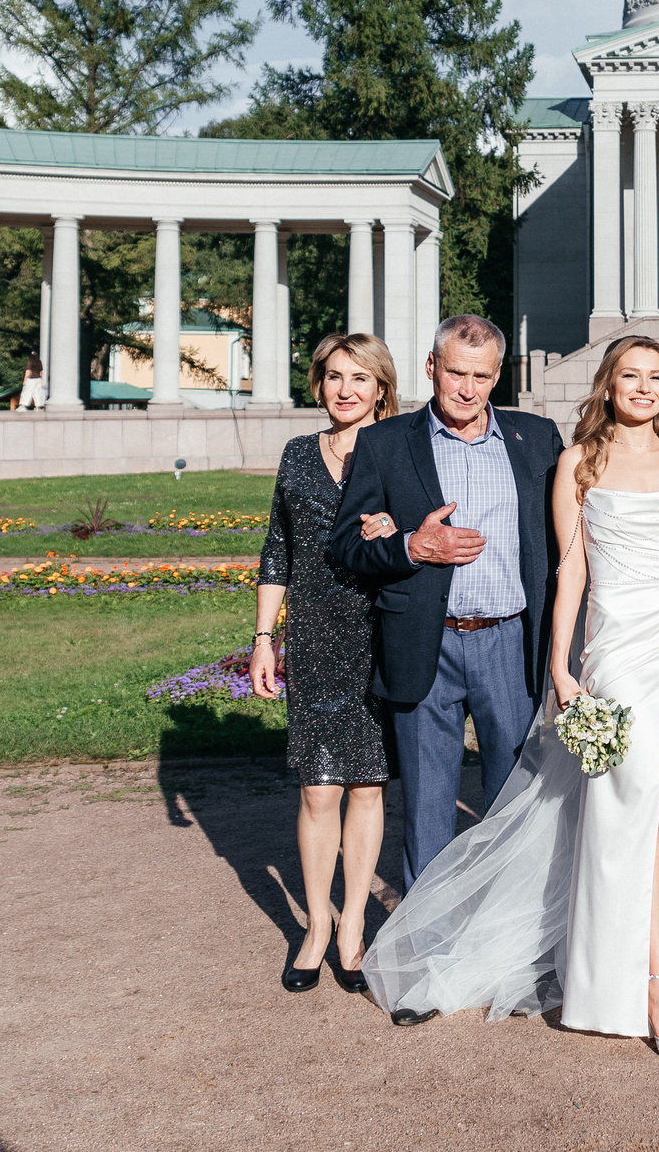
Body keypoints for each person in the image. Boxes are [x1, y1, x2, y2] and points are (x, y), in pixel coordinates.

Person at [359, 338, 659, 1063]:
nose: (643, 386)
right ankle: (652, 982)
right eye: (630, 374)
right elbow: (569, 573)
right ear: (609, 383)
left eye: (656, 376)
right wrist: (563, 670)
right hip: (621, 646)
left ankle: (643, 955)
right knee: (636, 803)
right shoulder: (577, 462)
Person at [327, 314, 563, 996]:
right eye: (455, 371)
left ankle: (512, 961)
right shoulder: (384, 442)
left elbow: (591, 496)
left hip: (510, 643)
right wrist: (410, 547)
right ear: (431, 366)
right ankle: (421, 969)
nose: (467, 387)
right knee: (428, 812)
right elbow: (346, 544)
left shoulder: (536, 438)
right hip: (422, 643)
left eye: (482, 375)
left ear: (499, 375)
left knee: (512, 808)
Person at [247, 332, 401, 995]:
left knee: (367, 784)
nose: (346, 389)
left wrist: (396, 527)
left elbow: (425, 530)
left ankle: (352, 927)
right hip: (312, 633)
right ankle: (314, 925)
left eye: (360, 378)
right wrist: (262, 636)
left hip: (377, 628)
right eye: (335, 376)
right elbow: (276, 551)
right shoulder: (297, 454)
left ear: (380, 388)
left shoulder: (399, 451)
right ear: (319, 383)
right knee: (318, 787)